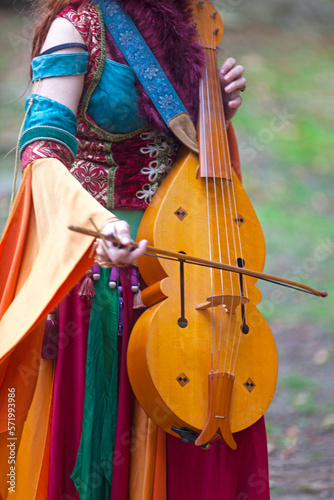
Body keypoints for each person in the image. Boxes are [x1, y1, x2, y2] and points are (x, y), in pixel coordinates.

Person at [0, 0, 270, 499]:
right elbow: (41, 150)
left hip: (192, 263)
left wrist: (214, 120)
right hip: (107, 262)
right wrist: (94, 225)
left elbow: (181, 156)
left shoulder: (187, 22)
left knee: (210, 406)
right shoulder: (76, 27)